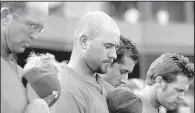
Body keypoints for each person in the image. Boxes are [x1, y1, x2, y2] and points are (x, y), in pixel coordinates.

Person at [52, 11, 120, 113]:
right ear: (84, 42)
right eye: (108, 46)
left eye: (116, 47)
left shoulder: (109, 89)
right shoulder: (66, 90)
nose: (114, 55)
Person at [1, 2, 49, 113]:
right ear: (5, 16)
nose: (35, 36)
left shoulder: (21, 74)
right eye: (32, 25)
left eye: (40, 29)